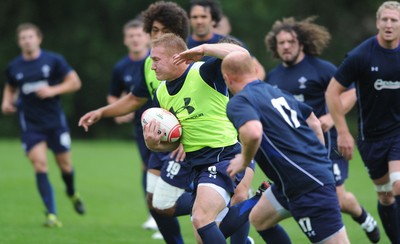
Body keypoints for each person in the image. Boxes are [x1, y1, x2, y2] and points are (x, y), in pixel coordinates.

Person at [80, 2, 191, 243]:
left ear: (177, 32)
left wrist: (191, 137)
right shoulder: (149, 63)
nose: (156, 36)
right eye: (153, 31)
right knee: (154, 203)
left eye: (163, 30)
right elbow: (134, 98)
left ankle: (225, 203)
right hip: (163, 144)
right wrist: (102, 112)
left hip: (192, 145)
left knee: (196, 208)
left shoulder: (192, 59)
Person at [142, 33, 267, 244]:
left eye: (156, 60)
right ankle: (258, 201)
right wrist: (154, 144)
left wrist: (204, 49)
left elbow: (241, 54)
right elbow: (175, 140)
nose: (152, 66)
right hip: (196, 165)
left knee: (201, 218)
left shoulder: (205, 72)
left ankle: (254, 205)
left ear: (176, 57)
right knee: (202, 234)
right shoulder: (161, 93)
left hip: (223, 156)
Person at [264, 16, 380, 242]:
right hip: (297, 153)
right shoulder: (273, 77)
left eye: (290, 41)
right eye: (281, 43)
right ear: (275, 47)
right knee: (330, 198)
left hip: (329, 144)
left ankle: (363, 218)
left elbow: (350, 93)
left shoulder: (322, 69)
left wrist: (329, 117)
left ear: (301, 43)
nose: (286, 46)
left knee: (336, 196)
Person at [222, 51, 350, 243]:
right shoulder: (275, 91)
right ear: (255, 70)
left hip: (308, 186)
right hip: (292, 182)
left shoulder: (239, 101)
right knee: (260, 218)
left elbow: (254, 132)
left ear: (227, 78)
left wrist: (244, 160)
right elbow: (314, 122)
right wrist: (320, 160)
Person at [326, 1, 400, 243]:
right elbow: (332, 93)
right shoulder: (361, 55)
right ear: (378, 22)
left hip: (398, 134)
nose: (389, 24)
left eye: (394, 20)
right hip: (371, 138)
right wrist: (343, 132)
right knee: (385, 196)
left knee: (398, 185)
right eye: (385, 20)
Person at [1, 23, 84, 227]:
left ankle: (72, 192)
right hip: (31, 126)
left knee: (65, 165)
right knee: (40, 164)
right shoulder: (14, 66)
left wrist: (53, 90)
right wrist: (6, 101)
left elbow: (75, 82)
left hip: (55, 123)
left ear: (39, 38)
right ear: (19, 42)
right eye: (23, 38)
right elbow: (10, 87)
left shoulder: (54, 60)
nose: (27, 41)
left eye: (30, 37)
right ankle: (52, 215)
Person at [106, 18, 159, 233]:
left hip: (169, 122)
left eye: (139, 35)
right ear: (125, 40)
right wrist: (117, 112)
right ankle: (153, 214)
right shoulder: (121, 67)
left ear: (147, 37)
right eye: (131, 36)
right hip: (142, 127)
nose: (135, 39)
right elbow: (113, 95)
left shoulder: (157, 59)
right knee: (149, 168)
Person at [187, 0, 266, 81]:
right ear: (189, 20)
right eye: (194, 17)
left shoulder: (229, 43)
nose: (199, 21)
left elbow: (258, 70)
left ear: (213, 20)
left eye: (203, 17)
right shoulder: (183, 44)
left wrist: (248, 90)